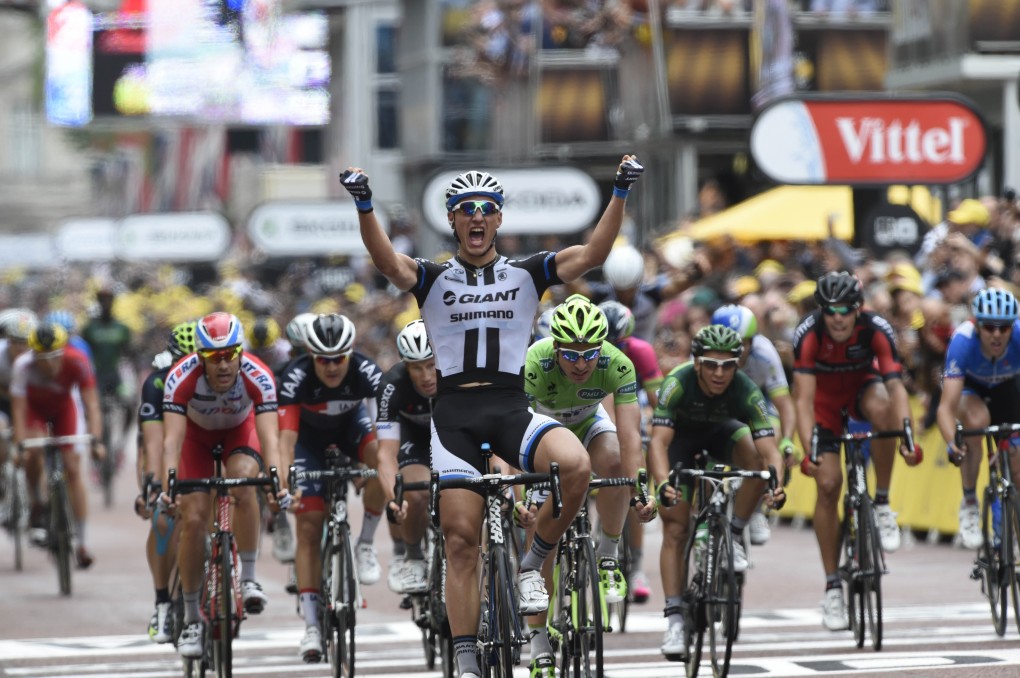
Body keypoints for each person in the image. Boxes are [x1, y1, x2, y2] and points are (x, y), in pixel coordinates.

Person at [342, 154, 644, 678]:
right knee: (460, 541)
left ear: (499, 218)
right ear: (453, 220)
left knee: (575, 467)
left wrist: (619, 190)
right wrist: (365, 205)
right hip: (455, 416)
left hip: (510, 408)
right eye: (464, 209)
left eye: (485, 208)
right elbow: (388, 262)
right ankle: (462, 654)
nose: (476, 216)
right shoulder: (432, 277)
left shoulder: (529, 271)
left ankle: (533, 562)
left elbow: (594, 253)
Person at [521, 293, 649, 676]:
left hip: (589, 425)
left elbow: (630, 436)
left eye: (589, 353)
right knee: (542, 532)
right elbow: (513, 430)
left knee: (614, 461)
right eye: (571, 354)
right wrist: (524, 491)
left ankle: (608, 554)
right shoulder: (534, 362)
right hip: (542, 432)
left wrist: (640, 487)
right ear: (555, 347)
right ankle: (539, 642)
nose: (581, 364)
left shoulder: (616, 363)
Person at [645, 324, 786, 660]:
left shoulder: (746, 389)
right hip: (680, 442)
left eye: (728, 365)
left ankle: (735, 532)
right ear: (697, 363)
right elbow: (659, 444)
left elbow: (770, 450)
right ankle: (675, 619)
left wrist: (776, 484)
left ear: (738, 364)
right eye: (711, 364)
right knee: (676, 529)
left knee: (754, 458)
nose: (719, 373)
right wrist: (664, 484)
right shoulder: (677, 383)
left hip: (722, 434)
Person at [792, 271, 920, 632]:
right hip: (823, 406)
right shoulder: (808, 333)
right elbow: (802, 400)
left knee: (884, 410)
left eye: (846, 309)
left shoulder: (877, 328)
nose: (838, 317)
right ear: (821, 310)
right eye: (830, 310)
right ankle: (833, 585)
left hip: (863, 392)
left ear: (858, 309)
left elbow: (896, 388)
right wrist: (809, 449)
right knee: (829, 485)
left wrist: (907, 435)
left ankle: (881, 503)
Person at [161, 312, 289, 660]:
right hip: (195, 440)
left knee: (245, 483)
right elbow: (171, 441)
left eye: (230, 354)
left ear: (240, 352)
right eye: (214, 357)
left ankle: (247, 578)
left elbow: (270, 439)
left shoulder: (257, 374)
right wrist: (168, 485)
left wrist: (276, 480)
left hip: (238, 432)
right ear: (200, 357)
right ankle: (190, 617)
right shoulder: (181, 376)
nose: (223, 364)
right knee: (193, 518)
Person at [277, 313, 385, 662]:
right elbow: (285, 440)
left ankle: (365, 543)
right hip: (307, 443)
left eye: (339, 357)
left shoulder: (367, 371)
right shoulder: (295, 377)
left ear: (350, 353)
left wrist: (374, 468)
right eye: (323, 359)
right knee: (309, 528)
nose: (333, 366)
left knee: (382, 462)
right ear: (311, 355)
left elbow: (383, 433)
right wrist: (286, 480)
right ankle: (311, 626)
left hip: (351, 430)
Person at [10, 323, 106, 568]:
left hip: (65, 410)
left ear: (63, 351)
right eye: (42, 358)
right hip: (35, 413)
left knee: (73, 470)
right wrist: (20, 446)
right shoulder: (23, 366)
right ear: (33, 355)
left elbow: (92, 405)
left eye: (54, 357)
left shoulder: (78, 361)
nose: (49, 364)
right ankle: (38, 502)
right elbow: (19, 411)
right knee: (33, 452)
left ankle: (82, 543)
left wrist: (96, 440)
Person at [936, 287, 1020, 550]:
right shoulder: (962, 341)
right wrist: (952, 442)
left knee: (1017, 469)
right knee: (976, 422)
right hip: (971, 387)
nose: (996, 334)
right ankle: (970, 502)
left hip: (1007, 386)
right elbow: (945, 409)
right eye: (989, 327)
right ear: (977, 324)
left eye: (1003, 328)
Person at [711, 303, 798, 545]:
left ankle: (757, 508)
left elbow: (784, 403)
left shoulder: (764, 352)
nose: (737, 352)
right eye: (730, 343)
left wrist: (788, 440)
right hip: (718, 406)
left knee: (773, 434)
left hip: (757, 404)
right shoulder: (704, 351)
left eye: (744, 344)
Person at [597, 298, 663, 603]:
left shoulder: (640, 351)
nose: (611, 347)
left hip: (633, 404)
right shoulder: (589, 357)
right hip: (598, 405)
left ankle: (636, 566)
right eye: (605, 342)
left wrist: (650, 425)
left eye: (618, 342)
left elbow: (657, 400)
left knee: (636, 484)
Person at [135, 321, 195, 643]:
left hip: (202, 444)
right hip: (168, 446)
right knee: (162, 520)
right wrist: (152, 486)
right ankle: (161, 601)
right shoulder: (157, 383)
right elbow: (153, 445)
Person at [376, 319, 436, 595]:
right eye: (416, 367)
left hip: (448, 432)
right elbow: (386, 454)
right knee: (418, 492)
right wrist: (393, 498)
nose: (426, 376)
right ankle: (413, 555)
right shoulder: (391, 385)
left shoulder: (458, 376)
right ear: (405, 366)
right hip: (413, 437)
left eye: (430, 364)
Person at [573, 242, 709, 342]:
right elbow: (575, 286)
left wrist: (696, 272)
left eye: (630, 290)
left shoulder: (651, 294)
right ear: (611, 284)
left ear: (638, 282)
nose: (625, 295)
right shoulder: (600, 295)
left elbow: (676, 286)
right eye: (620, 291)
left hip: (643, 360)